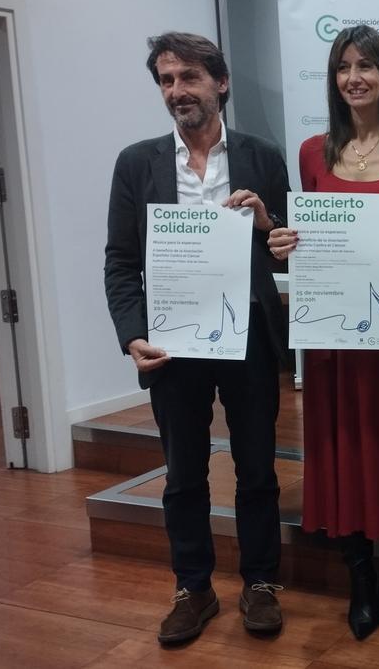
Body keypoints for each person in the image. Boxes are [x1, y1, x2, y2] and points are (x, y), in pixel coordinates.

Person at [104, 32, 289, 644]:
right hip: (173, 343)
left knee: (257, 467)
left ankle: (261, 582)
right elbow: (120, 262)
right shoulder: (137, 163)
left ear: (220, 83)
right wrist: (132, 335)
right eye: (165, 80)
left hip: (250, 339)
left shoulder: (263, 156)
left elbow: (286, 250)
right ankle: (194, 587)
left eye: (188, 78)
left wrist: (272, 229)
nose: (176, 91)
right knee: (183, 473)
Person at [265, 25, 379, 641]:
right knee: (341, 439)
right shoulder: (313, 151)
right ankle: (358, 575)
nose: (354, 77)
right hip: (334, 330)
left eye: (366, 65)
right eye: (343, 66)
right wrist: (283, 241)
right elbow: (306, 240)